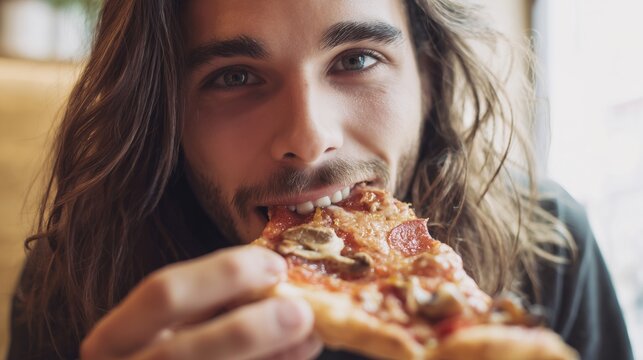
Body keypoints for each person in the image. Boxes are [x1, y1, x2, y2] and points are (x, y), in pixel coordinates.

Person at [7, 0, 634, 359]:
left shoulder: (549, 244)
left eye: (357, 60)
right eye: (233, 76)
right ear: (164, 112)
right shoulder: (79, 280)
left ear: (430, 75)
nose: (307, 137)